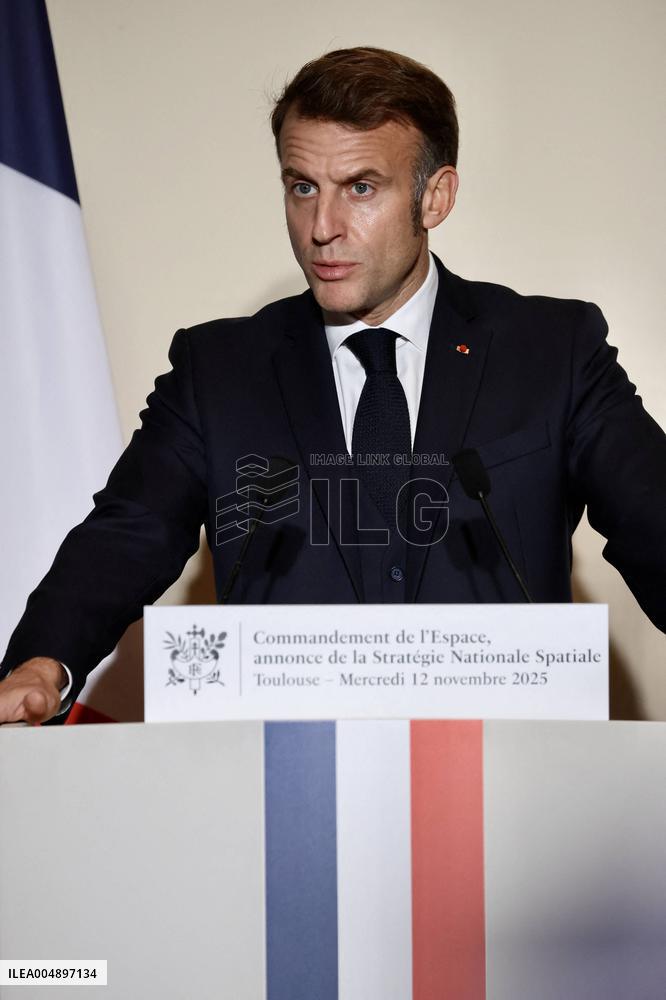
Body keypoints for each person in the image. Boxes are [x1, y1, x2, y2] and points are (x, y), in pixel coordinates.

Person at [1, 46, 664, 725]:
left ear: (434, 196)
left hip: (507, 793)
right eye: (302, 187)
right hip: (283, 794)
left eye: (362, 188)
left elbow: (654, 516)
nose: (322, 229)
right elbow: (130, 532)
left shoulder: (551, 351)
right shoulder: (219, 369)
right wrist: (42, 661)